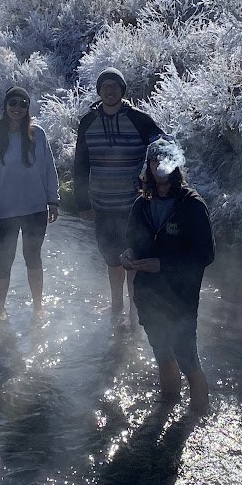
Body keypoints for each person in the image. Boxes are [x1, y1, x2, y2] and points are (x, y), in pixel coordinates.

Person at [121, 140, 214, 411]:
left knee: (187, 359)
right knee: (162, 355)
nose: (159, 166)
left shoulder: (192, 205)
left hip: (180, 299)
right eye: (154, 160)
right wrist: (127, 255)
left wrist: (162, 264)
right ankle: (167, 409)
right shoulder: (142, 204)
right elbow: (132, 242)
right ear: (148, 167)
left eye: (165, 159)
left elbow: (205, 255)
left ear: (175, 165)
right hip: (149, 297)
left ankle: (197, 418)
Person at [73, 68, 163, 324]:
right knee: (111, 258)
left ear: (122, 90)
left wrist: (159, 187)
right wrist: (83, 203)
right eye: (105, 86)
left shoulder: (139, 119)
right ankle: (116, 307)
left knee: (132, 259)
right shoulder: (88, 121)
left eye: (115, 86)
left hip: (134, 206)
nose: (110, 90)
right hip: (101, 205)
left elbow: (163, 146)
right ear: (99, 91)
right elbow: (80, 164)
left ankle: (135, 314)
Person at [0, 85, 60, 318]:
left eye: (23, 104)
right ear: (5, 106)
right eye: (13, 103)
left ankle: (38, 306)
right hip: (5, 213)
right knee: (5, 260)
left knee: (33, 257)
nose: (18, 108)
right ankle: (1, 308)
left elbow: (49, 169)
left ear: (28, 108)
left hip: (35, 209)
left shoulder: (38, 134)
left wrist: (53, 200)